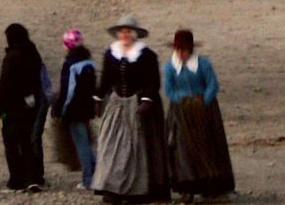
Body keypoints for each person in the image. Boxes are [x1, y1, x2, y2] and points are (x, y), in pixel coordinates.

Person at [93, 15, 167, 203]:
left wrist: (146, 100)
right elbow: (106, 80)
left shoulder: (147, 55)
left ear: (135, 34)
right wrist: (97, 98)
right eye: (122, 31)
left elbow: (153, 82)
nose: (125, 34)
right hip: (117, 105)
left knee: (137, 148)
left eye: (128, 31)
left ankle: (138, 189)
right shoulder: (111, 53)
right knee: (111, 147)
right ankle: (112, 188)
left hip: (138, 104)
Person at [161, 30, 233, 202]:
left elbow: (212, 85)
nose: (181, 54)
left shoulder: (204, 65)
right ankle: (187, 188)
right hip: (180, 112)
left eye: (185, 50)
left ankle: (211, 187)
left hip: (205, 112)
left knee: (208, 146)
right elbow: (169, 90)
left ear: (190, 50)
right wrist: (183, 101)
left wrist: (202, 102)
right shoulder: (170, 67)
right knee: (182, 148)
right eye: (179, 50)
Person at [0, 23, 48, 192]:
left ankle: (16, 180)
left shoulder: (11, 57)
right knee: (27, 143)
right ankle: (32, 177)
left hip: (11, 108)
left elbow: (4, 84)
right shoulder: (33, 53)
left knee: (11, 144)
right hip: (30, 105)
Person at [53, 29, 98, 191]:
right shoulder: (88, 63)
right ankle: (98, 173)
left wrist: (60, 110)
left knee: (82, 145)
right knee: (86, 142)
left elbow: (68, 91)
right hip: (86, 109)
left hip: (74, 110)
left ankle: (88, 179)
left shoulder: (70, 64)